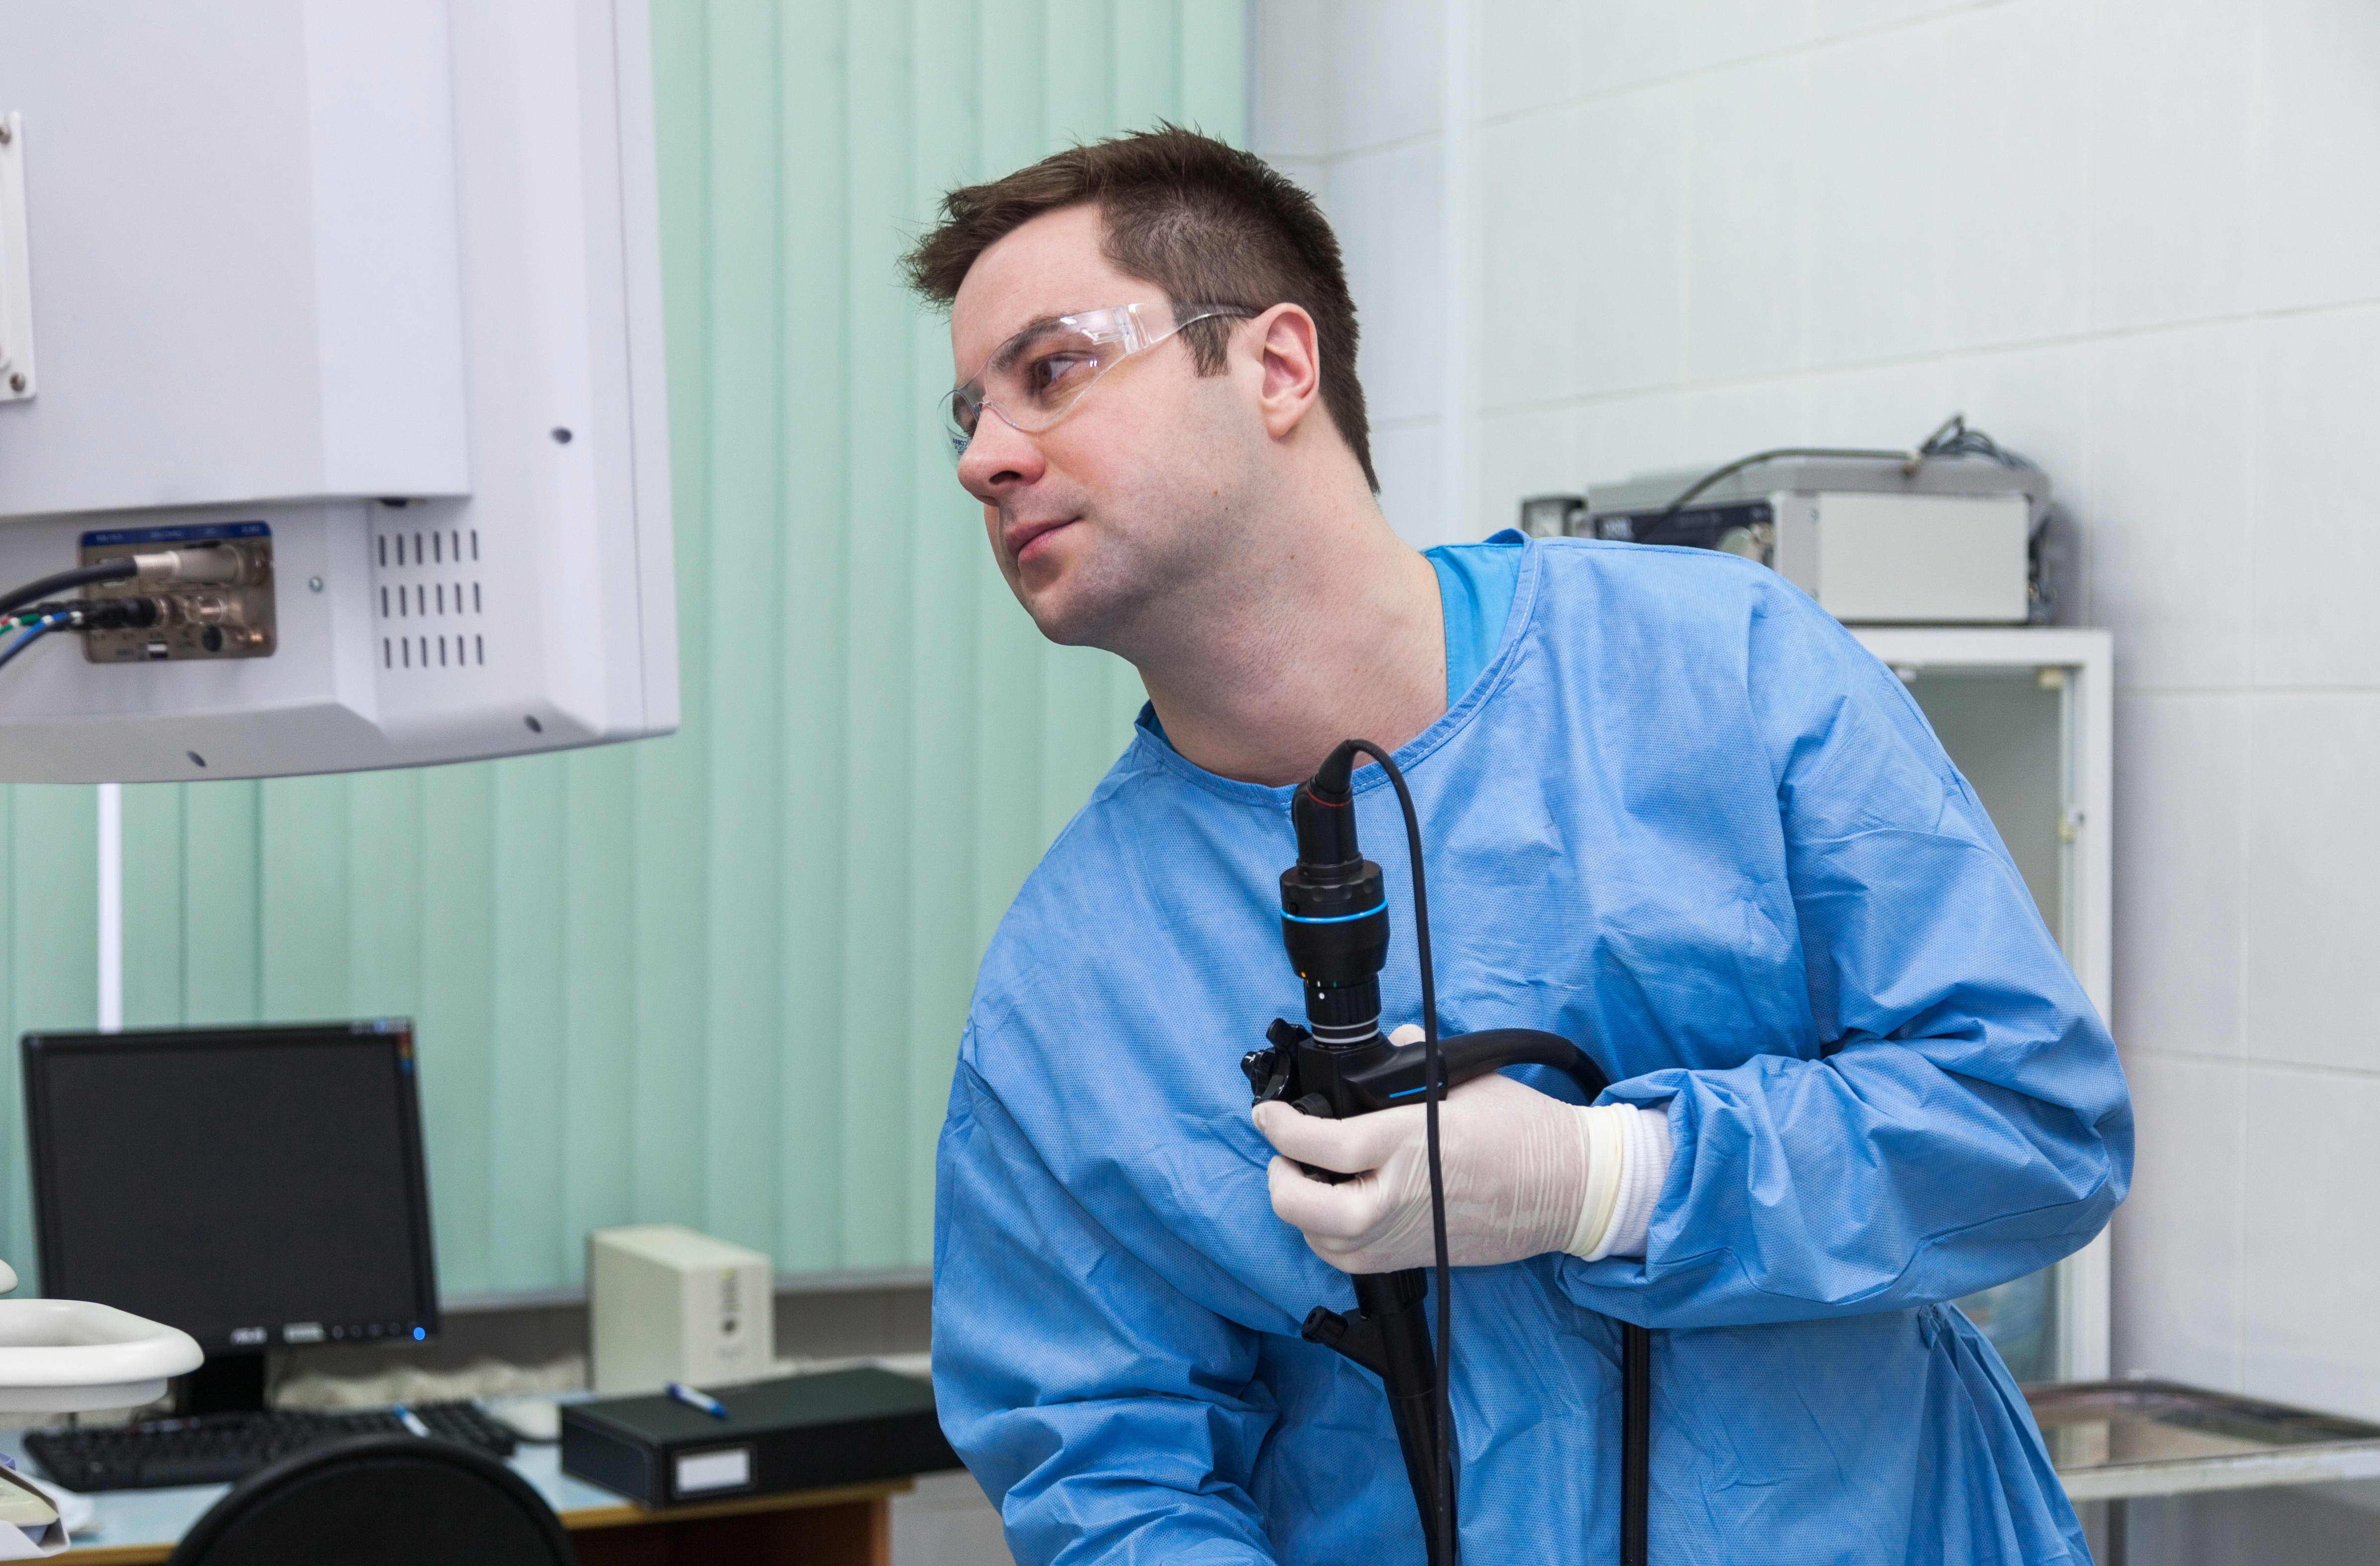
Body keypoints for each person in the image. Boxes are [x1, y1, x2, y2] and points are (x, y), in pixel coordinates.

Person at [908, 126, 2131, 1565]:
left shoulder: (1721, 676)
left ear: (1276, 367)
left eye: (1051, 371)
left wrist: (1602, 1179)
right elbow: (1107, 1480)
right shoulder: (1075, 987)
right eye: (967, 414)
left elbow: (2033, 1131)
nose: (987, 457)